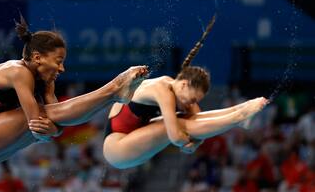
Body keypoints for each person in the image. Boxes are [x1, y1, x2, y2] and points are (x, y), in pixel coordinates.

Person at [0, 14, 148, 167]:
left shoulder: (46, 81)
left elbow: (57, 124)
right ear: (38, 58)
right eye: (58, 61)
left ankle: (114, 94)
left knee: (52, 114)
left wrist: (53, 130)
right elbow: (38, 126)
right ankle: (114, 89)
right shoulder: (17, 71)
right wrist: (53, 130)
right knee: (43, 113)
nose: (62, 69)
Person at [103, 40, 269, 170]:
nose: (192, 104)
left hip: (132, 140)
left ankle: (239, 111)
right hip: (117, 148)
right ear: (183, 84)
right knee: (178, 123)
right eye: (192, 99)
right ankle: (238, 117)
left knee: (185, 119)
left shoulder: (181, 94)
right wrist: (188, 144)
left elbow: (198, 124)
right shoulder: (163, 90)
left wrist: (192, 143)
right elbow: (176, 136)